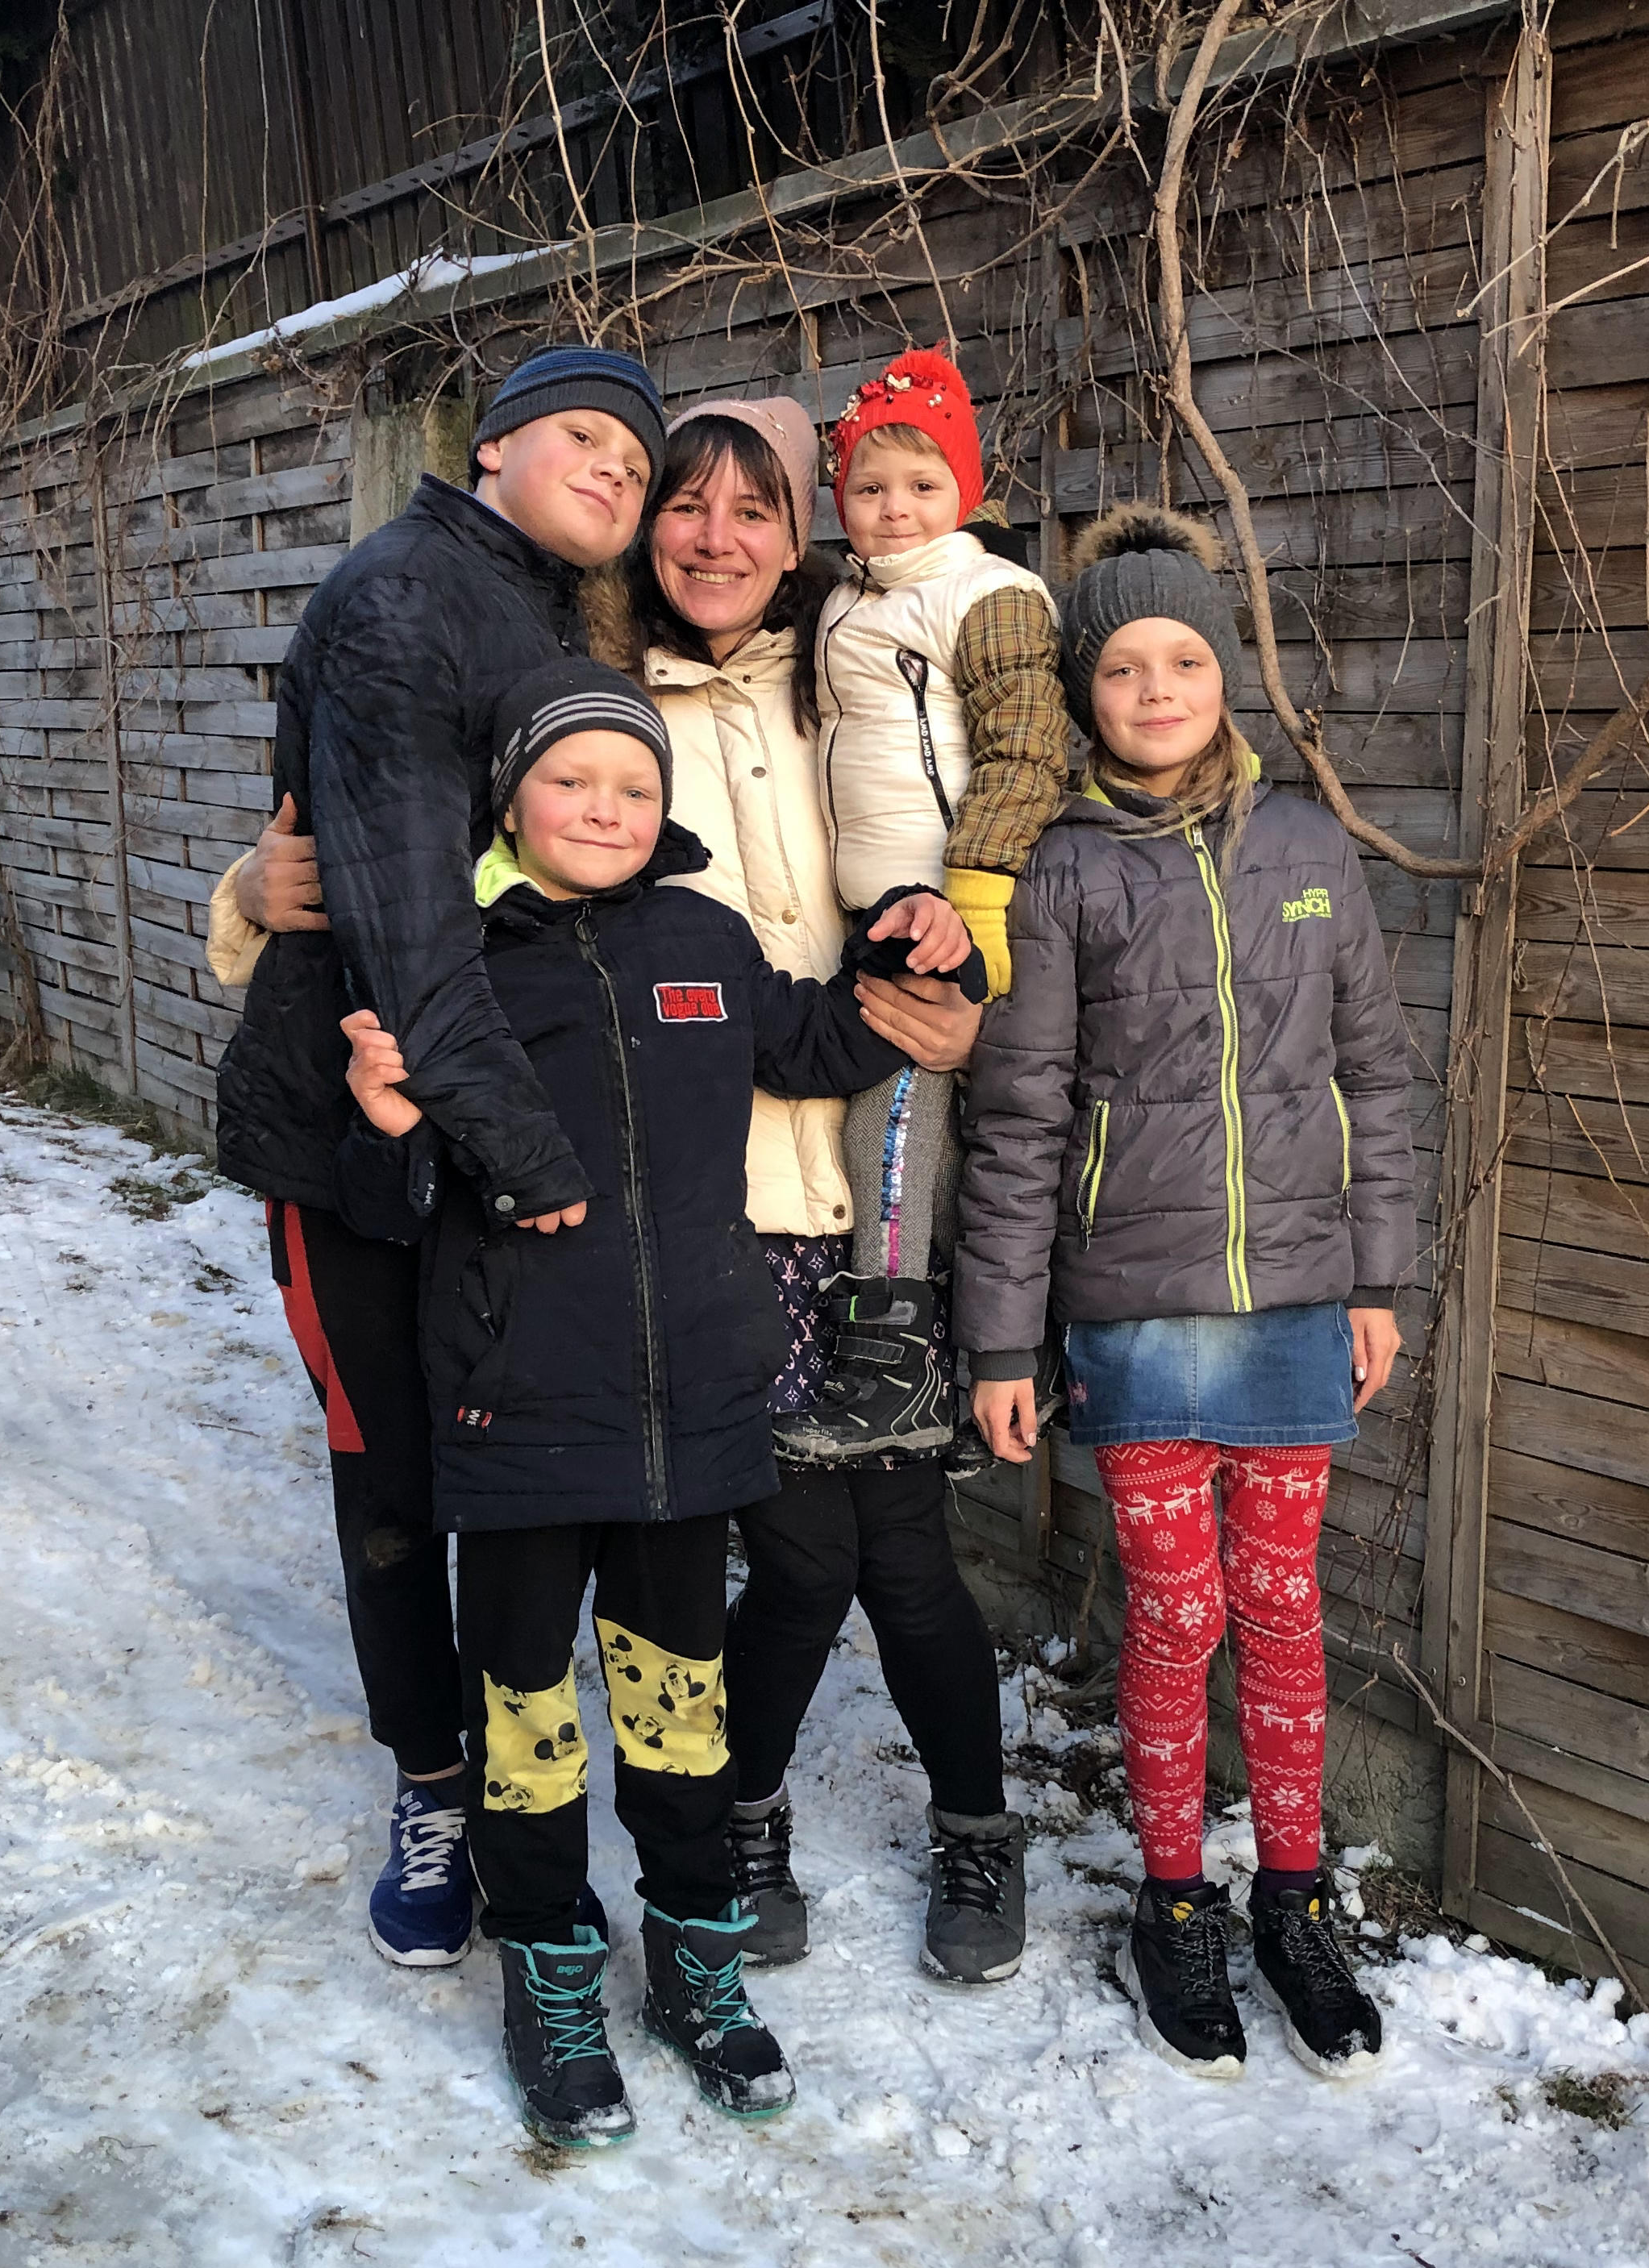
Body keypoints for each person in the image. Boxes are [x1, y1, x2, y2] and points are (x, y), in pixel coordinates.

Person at [336, 660, 982, 2145]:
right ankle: (554, 1969)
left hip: (693, 1414)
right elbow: (391, 1199)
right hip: (516, 1416)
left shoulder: (699, 935)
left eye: (634, 785)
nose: (608, 808)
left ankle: (696, 1959)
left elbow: (818, 1042)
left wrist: (942, 960)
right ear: (512, 797)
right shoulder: (451, 960)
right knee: (526, 1723)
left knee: (683, 1721)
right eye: (573, 781)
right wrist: (382, 1123)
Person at [203, 343, 664, 1973]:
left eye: (637, 455)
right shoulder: (410, 596)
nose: (616, 469)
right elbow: (401, 920)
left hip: (466, 1120)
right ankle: (433, 1786)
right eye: (585, 437)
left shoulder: (550, 612)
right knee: (394, 1479)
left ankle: (515, 1789)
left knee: (504, 1477)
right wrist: (535, 1153)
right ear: (493, 447)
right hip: (358, 1136)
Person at [956, 506, 1416, 2081]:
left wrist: (1381, 1276)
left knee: (1285, 1610)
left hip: (1297, 1302)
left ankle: (1290, 1900)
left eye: (1184, 658)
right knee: (1176, 1615)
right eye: (1125, 665)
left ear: (1223, 674)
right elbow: (1015, 1120)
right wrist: (1004, 1335)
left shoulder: (1304, 850)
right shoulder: (1060, 873)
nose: (1157, 689)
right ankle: (1172, 1906)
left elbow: (1377, 1073)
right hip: (1135, 1313)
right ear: (1087, 693)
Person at [588, 396, 1031, 1983]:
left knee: (897, 1548)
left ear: (803, 532)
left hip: (881, 1176)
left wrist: (976, 989)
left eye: (756, 511)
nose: (719, 539)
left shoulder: (860, 663)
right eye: (689, 508)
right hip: (709, 1205)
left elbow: (989, 831)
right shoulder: (596, 697)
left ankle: (981, 1836)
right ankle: (749, 1810)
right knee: (793, 1554)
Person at [774, 347, 1068, 1465]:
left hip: (945, 897)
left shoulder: (984, 594)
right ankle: (958, 1367)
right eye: (868, 486)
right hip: (881, 900)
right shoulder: (846, 594)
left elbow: (1028, 750)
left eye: (922, 484)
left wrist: (974, 897)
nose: (895, 508)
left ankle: (893, 1365)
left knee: (891, 1112)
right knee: (936, 1128)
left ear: (970, 494)